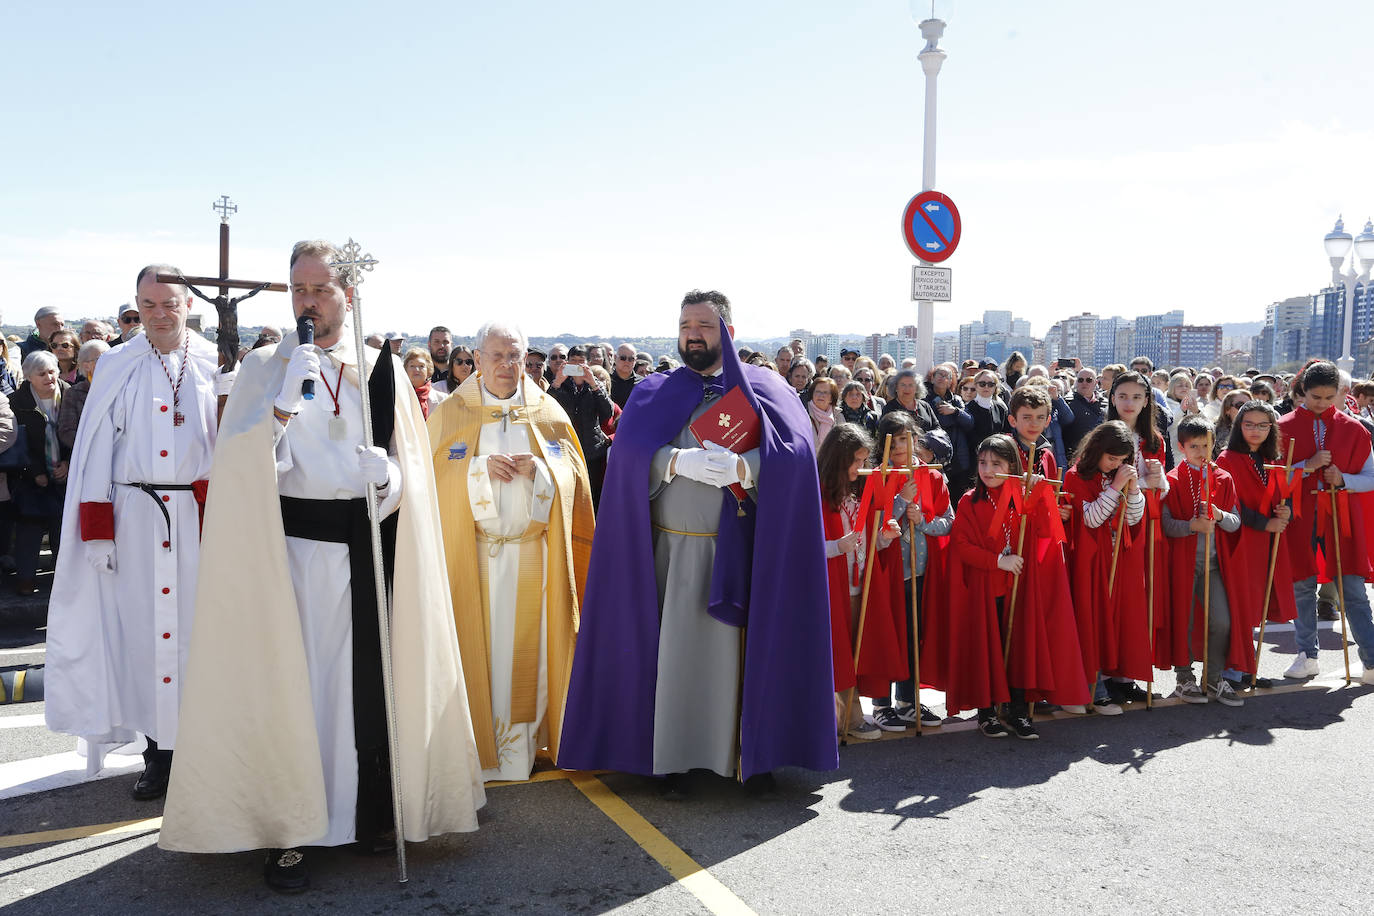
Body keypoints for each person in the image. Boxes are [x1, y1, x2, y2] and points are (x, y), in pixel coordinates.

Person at [159, 240, 483, 891]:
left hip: (367, 553)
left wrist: (389, 475)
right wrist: (279, 407)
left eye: (320, 290)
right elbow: (239, 468)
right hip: (293, 563)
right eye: (298, 289)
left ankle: (364, 816)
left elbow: (411, 467)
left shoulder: (383, 368)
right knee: (299, 695)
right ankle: (291, 833)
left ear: (349, 296)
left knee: (364, 695)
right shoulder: (264, 365)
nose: (308, 302)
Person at [558, 289, 837, 795]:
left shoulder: (766, 387)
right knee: (677, 661)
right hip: (670, 555)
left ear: (727, 332)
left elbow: (797, 459)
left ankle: (751, 757)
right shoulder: (652, 391)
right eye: (686, 323)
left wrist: (746, 467)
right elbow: (624, 459)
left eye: (704, 325)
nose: (692, 333)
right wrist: (669, 460)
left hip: (744, 553)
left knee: (743, 657)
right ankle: (675, 759)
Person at [45, 265, 225, 800]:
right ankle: (158, 758)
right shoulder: (119, 363)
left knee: (199, 637)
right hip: (134, 519)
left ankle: (204, 753)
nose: (159, 313)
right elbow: (95, 452)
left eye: (169, 303)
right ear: (137, 307)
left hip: (197, 519)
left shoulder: (218, 361)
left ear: (187, 304)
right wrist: (98, 534)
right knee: (145, 639)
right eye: (148, 304)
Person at [429, 321, 594, 782]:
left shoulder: (546, 412)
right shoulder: (453, 411)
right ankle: (474, 751)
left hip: (532, 556)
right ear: (477, 359)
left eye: (515, 356)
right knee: (477, 649)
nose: (506, 366)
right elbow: (432, 479)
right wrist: (477, 472)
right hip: (474, 555)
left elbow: (574, 479)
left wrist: (541, 472)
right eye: (497, 356)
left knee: (530, 651)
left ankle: (521, 752)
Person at [932, 434, 1087, 739]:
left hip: (1018, 588)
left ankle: (1017, 710)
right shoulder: (968, 500)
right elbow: (960, 545)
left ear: (1012, 467)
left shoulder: (1023, 499)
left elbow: (1044, 533)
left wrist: (1040, 499)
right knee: (986, 651)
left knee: (1018, 648)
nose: (987, 469)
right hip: (984, 589)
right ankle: (987, 712)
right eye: (982, 462)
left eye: (996, 463)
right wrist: (996, 561)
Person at [1277, 361, 1374, 684]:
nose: (1321, 403)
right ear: (1302, 390)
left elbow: (1370, 477)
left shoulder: (1355, 428)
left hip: (1340, 515)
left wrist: (1343, 478)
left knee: (1353, 589)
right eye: (1315, 396)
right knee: (1301, 586)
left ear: (1339, 394)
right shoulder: (1282, 426)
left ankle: (1371, 661)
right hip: (1300, 516)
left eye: (1328, 397)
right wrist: (1307, 466)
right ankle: (1307, 655)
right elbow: (1272, 474)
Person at [868, 415, 953, 732]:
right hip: (889, 570)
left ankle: (907, 701)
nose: (901, 446)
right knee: (887, 635)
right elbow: (871, 525)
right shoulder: (877, 475)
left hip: (923, 570)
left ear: (915, 439)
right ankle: (881, 703)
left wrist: (925, 523)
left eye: (905, 438)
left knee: (914, 636)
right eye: (894, 440)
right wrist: (901, 502)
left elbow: (948, 520)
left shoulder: (932, 476)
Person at [817, 423, 902, 741]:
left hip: (858, 586)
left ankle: (850, 717)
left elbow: (866, 542)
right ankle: (845, 720)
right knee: (835, 652)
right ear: (839, 460)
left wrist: (883, 538)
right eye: (857, 461)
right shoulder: (818, 495)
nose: (862, 468)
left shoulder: (861, 493)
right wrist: (836, 547)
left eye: (866, 461)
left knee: (853, 650)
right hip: (830, 588)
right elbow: (802, 545)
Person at [1062, 421, 1151, 716]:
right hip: (1089, 562)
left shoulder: (1120, 475)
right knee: (1092, 623)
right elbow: (1091, 519)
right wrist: (1114, 488)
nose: (1116, 465)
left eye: (1122, 460)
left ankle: (1117, 680)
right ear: (1097, 450)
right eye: (1111, 458)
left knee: (1117, 622)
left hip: (1116, 559)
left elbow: (1134, 518)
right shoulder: (1076, 476)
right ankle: (1094, 688)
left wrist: (1134, 488)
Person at [1160, 416, 1246, 706]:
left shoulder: (1223, 478)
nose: (1200, 451)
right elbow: (1165, 525)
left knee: (1221, 622)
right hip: (1182, 564)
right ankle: (1185, 678)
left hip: (1214, 564)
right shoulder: (1172, 480)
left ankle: (1214, 677)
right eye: (1193, 446)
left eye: (1206, 445)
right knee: (1182, 620)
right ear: (1181, 447)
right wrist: (1191, 526)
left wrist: (1219, 516)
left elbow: (1235, 523)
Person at [1215, 401, 1294, 690]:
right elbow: (1230, 505)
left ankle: (1247, 668)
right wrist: (1265, 524)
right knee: (1240, 606)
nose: (1256, 430)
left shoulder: (1271, 457)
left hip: (1266, 542)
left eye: (1263, 425)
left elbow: (1284, 496)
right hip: (1241, 541)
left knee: (1255, 607)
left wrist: (1287, 512)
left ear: (1271, 427)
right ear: (1239, 426)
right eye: (1249, 424)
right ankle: (1233, 671)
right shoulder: (1227, 459)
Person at [7, 351, 70, 596]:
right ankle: (26, 579)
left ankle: (63, 581)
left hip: (65, 472)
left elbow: (80, 434)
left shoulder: (69, 394)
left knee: (63, 528)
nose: (49, 377)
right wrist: (35, 471)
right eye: (41, 374)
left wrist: (67, 462)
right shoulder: (16, 401)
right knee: (29, 528)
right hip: (29, 476)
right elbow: (14, 440)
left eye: (52, 371)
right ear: (29, 377)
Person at [550, 345, 613, 508]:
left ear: (588, 363)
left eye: (581, 361)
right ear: (567, 362)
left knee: (592, 494)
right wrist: (557, 382)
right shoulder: (560, 383)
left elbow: (607, 412)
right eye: (573, 361)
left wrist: (592, 383)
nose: (577, 365)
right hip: (566, 449)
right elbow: (546, 407)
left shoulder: (595, 384)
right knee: (568, 493)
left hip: (592, 450)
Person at [924, 363, 972, 498]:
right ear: (932, 378)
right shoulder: (924, 400)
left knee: (957, 496)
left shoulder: (956, 400)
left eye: (946, 376)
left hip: (958, 455)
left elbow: (969, 423)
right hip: (936, 454)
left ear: (951, 381)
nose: (942, 378)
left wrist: (955, 412)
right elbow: (938, 422)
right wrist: (954, 419)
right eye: (939, 374)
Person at [56, 339, 108, 451]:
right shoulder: (74, 393)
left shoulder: (123, 387)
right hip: (90, 456)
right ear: (86, 366)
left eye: (111, 357)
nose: (109, 362)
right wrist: (95, 447)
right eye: (102, 358)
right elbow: (66, 432)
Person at [1063, 366, 1107, 458]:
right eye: (1080, 380)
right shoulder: (1066, 402)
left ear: (1095, 382)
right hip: (1074, 455)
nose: (1084, 383)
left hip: (1098, 454)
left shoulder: (1106, 403)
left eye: (1089, 380)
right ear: (1076, 382)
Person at [401, 347, 445, 419]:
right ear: (405, 370)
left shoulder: (442, 399)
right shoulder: (397, 398)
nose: (417, 370)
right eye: (412, 366)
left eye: (421, 366)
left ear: (428, 370)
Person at [807, 376, 841, 447]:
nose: (821, 395)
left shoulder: (838, 416)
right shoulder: (804, 413)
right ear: (812, 394)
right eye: (818, 391)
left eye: (825, 392)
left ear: (832, 398)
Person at [610, 342, 640, 408]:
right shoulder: (606, 380)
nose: (627, 361)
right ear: (615, 358)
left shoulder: (642, 382)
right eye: (623, 358)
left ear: (635, 360)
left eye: (631, 359)